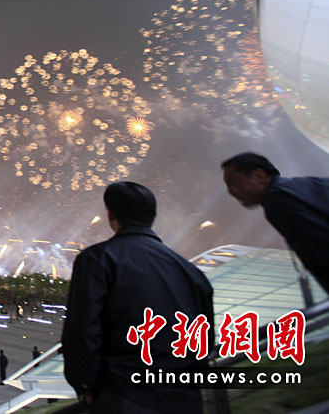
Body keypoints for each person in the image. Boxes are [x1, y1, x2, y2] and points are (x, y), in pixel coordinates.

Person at [62, 181, 213, 414]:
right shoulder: (190, 271)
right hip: (185, 398)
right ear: (152, 216)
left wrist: (85, 384)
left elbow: (82, 330)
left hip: (125, 394)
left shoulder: (97, 260)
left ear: (110, 214)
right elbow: (204, 338)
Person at [222, 152, 329, 295]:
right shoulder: (308, 185)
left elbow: (319, 250)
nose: (230, 191)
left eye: (234, 182)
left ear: (260, 175)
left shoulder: (277, 199)